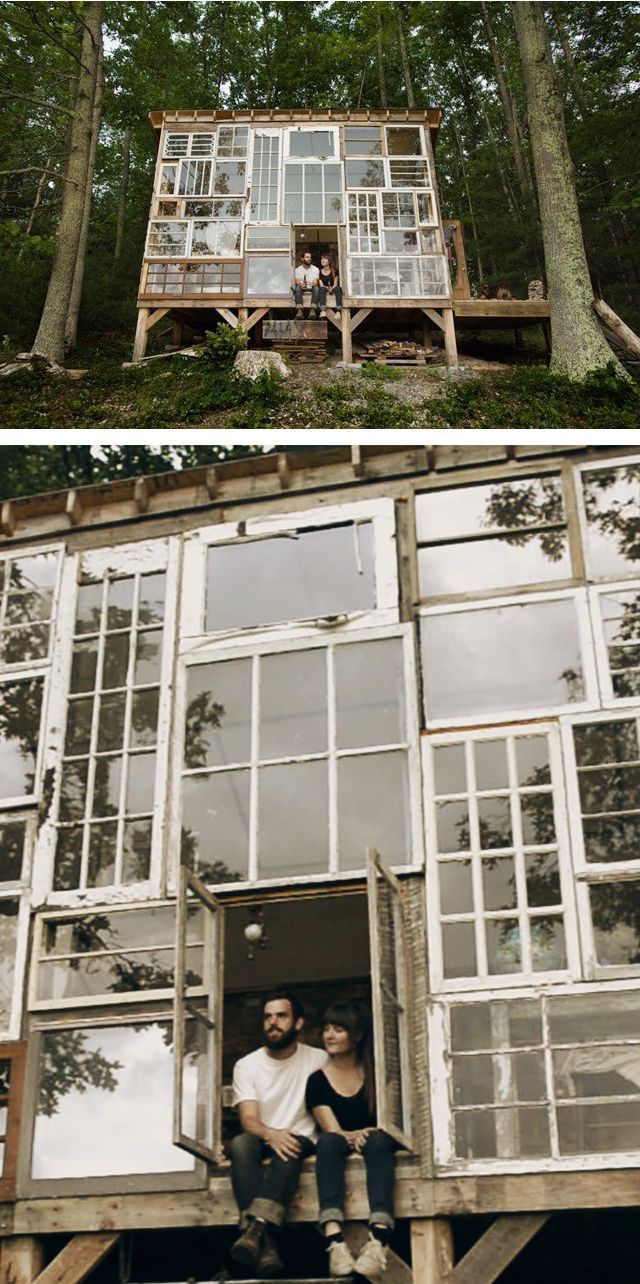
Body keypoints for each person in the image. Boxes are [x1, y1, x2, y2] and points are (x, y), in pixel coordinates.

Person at [229, 991, 327, 1277]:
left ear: (298, 1023)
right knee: (240, 1143)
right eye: (268, 1016)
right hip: (264, 1138)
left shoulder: (318, 1060)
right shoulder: (247, 1065)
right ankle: (265, 1240)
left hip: (303, 1140)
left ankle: (255, 1227)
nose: (273, 1022)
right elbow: (249, 1120)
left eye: (281, 1016)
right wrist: (271, 1134)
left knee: (292, 1144)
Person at [306, 1000, 397, 1281]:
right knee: (328, 1143)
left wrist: (369, 1134)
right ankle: (334, 1240)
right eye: (326, 1029)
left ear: (357, 1036)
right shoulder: (317, 1081)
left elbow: (391, 1120)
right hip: (338, 1147)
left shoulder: (378, 1074)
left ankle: (378, 1239)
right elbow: (332, 1129)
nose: (329, 1035)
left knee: (380, 1140)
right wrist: (355, 1135)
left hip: (375, 1146)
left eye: (339, 1029)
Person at [293, 250, 320, 318]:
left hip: (312, 288)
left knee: (316, 288)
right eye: (307, 257)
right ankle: (299, 311)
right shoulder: (297, 269)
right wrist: (301, 284)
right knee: (297, 288)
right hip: (302, 287)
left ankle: (313, 310)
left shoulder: (315, 269)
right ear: (302, 259)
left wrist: (305, 282)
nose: (309, 259)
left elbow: (315, 283)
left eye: (310, 257)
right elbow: (297, 282)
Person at [317, 253, 343, 317]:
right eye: (321, 259)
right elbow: (321, 285)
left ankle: (338, 311)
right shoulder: (319, 272)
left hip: (333, 287)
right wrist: (327, 288)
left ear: (329, 261)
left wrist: (331, 288)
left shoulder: (334, 271)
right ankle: (322, 310)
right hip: (324, 287)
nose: (322, 260)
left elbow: (335, 284)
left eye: (325, 259)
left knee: (338, 288)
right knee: (321, 289)